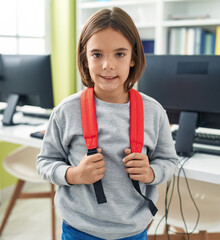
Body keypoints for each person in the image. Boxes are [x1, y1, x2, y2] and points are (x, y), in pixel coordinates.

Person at [37, 7, 178, 240]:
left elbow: (170, 161)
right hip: (79, 228)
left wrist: (152, 172)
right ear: (85, 57)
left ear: (134, 57)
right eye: (97, 55)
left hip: (133, 230)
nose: (107, 65)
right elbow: (45, 162)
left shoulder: (154, 111)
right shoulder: (65, 111)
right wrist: (74, 174)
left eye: (120, 54)